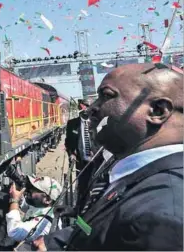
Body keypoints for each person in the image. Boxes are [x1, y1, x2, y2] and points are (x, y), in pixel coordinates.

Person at [33, 63, 183, 251]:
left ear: (158, 110)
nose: (89, 109)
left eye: (106, 96)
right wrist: (53, 243)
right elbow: (103, 228)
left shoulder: (162, 216)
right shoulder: (134, 174)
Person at [4, 176, 63, 245]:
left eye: (35, 189)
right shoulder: (44, 208)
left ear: (47, 200)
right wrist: (20, 196)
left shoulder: (45, 222)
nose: (30, 190)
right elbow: (29, 209)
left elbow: (14, 231)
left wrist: (14, 199)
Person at [64, 99, 94, 209]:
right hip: (81, 162)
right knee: (82, 187)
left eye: (89, 106)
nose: (87, 108)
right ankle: (81, 210)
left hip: (97, 161)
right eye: (85, 106)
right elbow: (68, 142)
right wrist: (71, 153)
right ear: (80, 108)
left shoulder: (97, 121)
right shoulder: (72, 124)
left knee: (96, 187)